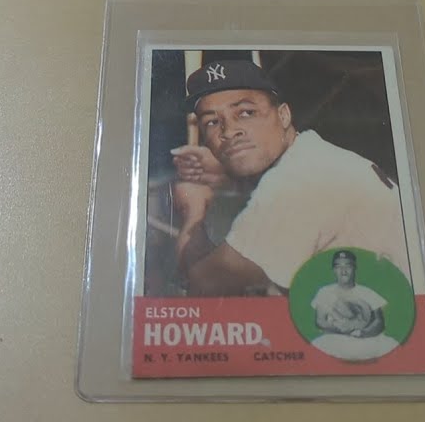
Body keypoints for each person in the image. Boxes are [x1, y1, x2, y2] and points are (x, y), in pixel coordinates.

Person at [171, 59, 409, 296]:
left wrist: (194, 209)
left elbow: (203, 286)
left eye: (246, 113)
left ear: (284, 115)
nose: (229, 131)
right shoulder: (313, 156)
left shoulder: (297, 182)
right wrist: (227, 177)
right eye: (212, 122)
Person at [309, 250, 400, 361]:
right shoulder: (324, 292)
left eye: (348, 266)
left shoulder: (367, 292)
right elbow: (320, 321)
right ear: (334, 270)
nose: (343, 271)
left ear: (354, 268)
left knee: (391, 345)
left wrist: (362, 333)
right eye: (338, 267)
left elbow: (379, 322)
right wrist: (342, 329)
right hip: (334, 338)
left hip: (365, 338)